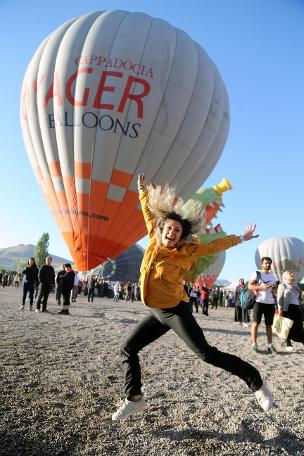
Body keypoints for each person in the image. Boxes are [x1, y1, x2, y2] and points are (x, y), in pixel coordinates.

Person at [111, 174, 273, 421]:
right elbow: (146, 211)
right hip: (156, 311)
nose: (171, 233)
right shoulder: (154, 240)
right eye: (168, 228)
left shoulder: (187, 251)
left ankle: (256, 383)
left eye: (177, 230)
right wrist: (142, 189)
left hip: (176, 311)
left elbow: (215, 246)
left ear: (180, 235)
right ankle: (134, 399)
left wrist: (241, 238)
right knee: (127, 348)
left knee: (207, 354)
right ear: (162, 229)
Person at [248, 257, 277, 354]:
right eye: (266, 263)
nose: (268, 265)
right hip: (258, 302)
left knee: (269, 325)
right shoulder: (256, 273)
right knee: (256, 323)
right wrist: (261, 287)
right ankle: (254, 344)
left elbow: (274, 294)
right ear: (262, 264)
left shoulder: (273, 277)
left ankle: (270, 345)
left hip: (270, 303)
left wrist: (274, 289)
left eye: (269, 263)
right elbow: (250, 286)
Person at [277, 271, 304, 351]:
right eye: (290, 274)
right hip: (287, 309)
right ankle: (288, 343)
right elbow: (280, 298)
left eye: (292, 273)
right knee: (288, 327)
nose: (292, 274)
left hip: (296, 307)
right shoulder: (282, 285)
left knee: (299, 326)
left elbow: (299, 296)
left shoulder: (296, 285)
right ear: (285, 276)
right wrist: (280, 310)